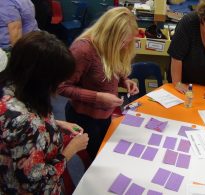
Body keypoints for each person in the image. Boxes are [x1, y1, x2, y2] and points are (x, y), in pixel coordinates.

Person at [0, 31, 89, 194]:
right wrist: (71, 150)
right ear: (41, 80)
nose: (60, 85)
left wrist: (55, 124)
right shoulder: (24, 122)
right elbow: (37, 183)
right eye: (57, 80)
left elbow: (25, 127)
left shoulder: (15, 89)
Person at [58, 7, 139, 161]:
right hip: (84, 119)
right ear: (109, 34)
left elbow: (109, 70)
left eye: (127, 43)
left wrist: (124, 81)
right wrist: (97, 97)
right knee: (94, 162)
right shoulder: (83, 50)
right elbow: (61, 86)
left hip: (104, 115)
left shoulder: (113, 46)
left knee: (105, 156)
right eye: (121, 42)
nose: (124, 46)